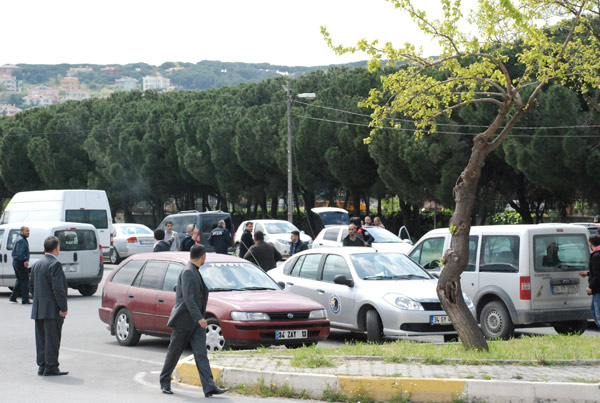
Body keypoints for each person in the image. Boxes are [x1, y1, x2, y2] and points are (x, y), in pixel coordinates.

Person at [159, 244, 227, 397]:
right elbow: (188, 299)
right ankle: (164, 381)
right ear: (203, 256)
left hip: (196, 324)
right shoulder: (188, 272)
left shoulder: (194, 271)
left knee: (201, 354)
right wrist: (200, 318)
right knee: (174, 353)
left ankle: (209, 387)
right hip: (184, 321)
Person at [29, 236, 68, 376]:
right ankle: (51, 367)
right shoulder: (55, 264)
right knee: (52, 339)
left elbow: (31, 287)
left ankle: (42, 365)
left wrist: (38, 301)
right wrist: (63, 307)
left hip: (39, 308)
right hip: (52, 310)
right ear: (56, 248)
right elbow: (58, 288)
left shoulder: (37, 264)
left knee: (41, 339)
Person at [580, 235, 600, 328]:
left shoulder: (596, 255)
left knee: (597, 314)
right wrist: (588, 273)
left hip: (598, 290)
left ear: (590, 243)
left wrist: (590, 286)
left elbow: (598, 275)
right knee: (593, 310)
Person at [10, 226, 31, 304]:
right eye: (26, 231)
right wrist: (25, 260)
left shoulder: (20, 239)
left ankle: (13, 297)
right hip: (20, 262)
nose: (28, 232)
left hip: (17, 262)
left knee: (19, 279)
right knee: (25, 280)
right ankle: (25, 299)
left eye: (28, 231)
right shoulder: (21, 240)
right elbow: (20, 253)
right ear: (21, 231)